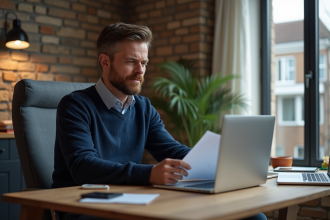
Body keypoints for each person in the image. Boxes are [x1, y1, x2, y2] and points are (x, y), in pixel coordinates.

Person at [52, 22, 266, 220]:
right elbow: (82, 167)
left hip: (131, 201)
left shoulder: (143, 107)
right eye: (131, 62)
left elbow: (171, 149)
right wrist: (149, 173)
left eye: (144, 62)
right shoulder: (75, 105)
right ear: (105, 62)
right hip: (83, 206)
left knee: (251, 216)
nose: (140, 71)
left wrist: (217, 161)